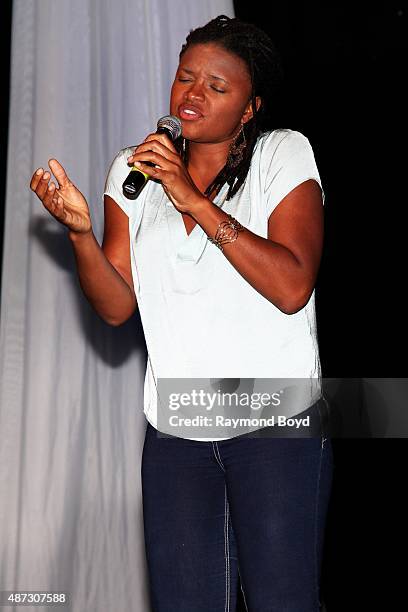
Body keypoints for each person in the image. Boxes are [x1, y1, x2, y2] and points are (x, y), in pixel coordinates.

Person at [30, 14, 333, 612]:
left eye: (217, 87)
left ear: (250, 107)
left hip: (277, 427)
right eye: (185, 78)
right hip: (177, 436)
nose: (193, 94)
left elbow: (293, 284)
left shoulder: (281, 153)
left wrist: (193, 198)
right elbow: (116, 306)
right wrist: (82, 235)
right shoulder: (136, 170)